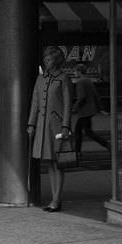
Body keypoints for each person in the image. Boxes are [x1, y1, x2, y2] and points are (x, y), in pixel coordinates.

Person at [27, 45, 73, 213]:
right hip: (42, 127)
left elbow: (68, 105)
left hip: (57, 127)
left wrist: (66, 126)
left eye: (50, 58)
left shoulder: (63, 79)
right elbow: (35, 103)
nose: (46, 61)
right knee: (49, 163)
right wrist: (31, 124)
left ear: (57, 60)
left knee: (58, 163)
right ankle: (54, 198)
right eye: (45, 58)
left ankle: (56, 199)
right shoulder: (40, 79)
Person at [71, 63, 109, 153]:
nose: (74, 73)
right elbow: (96, 95)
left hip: (84, 111)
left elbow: (81, 97)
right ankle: (77, 151)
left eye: (75, 71)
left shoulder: (80, 82)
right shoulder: (88, 80)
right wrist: (100, 109)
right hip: (89, 111)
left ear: (79, 72)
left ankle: (106, 144)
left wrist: (74, 108)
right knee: (79, 131)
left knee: (85, 132)